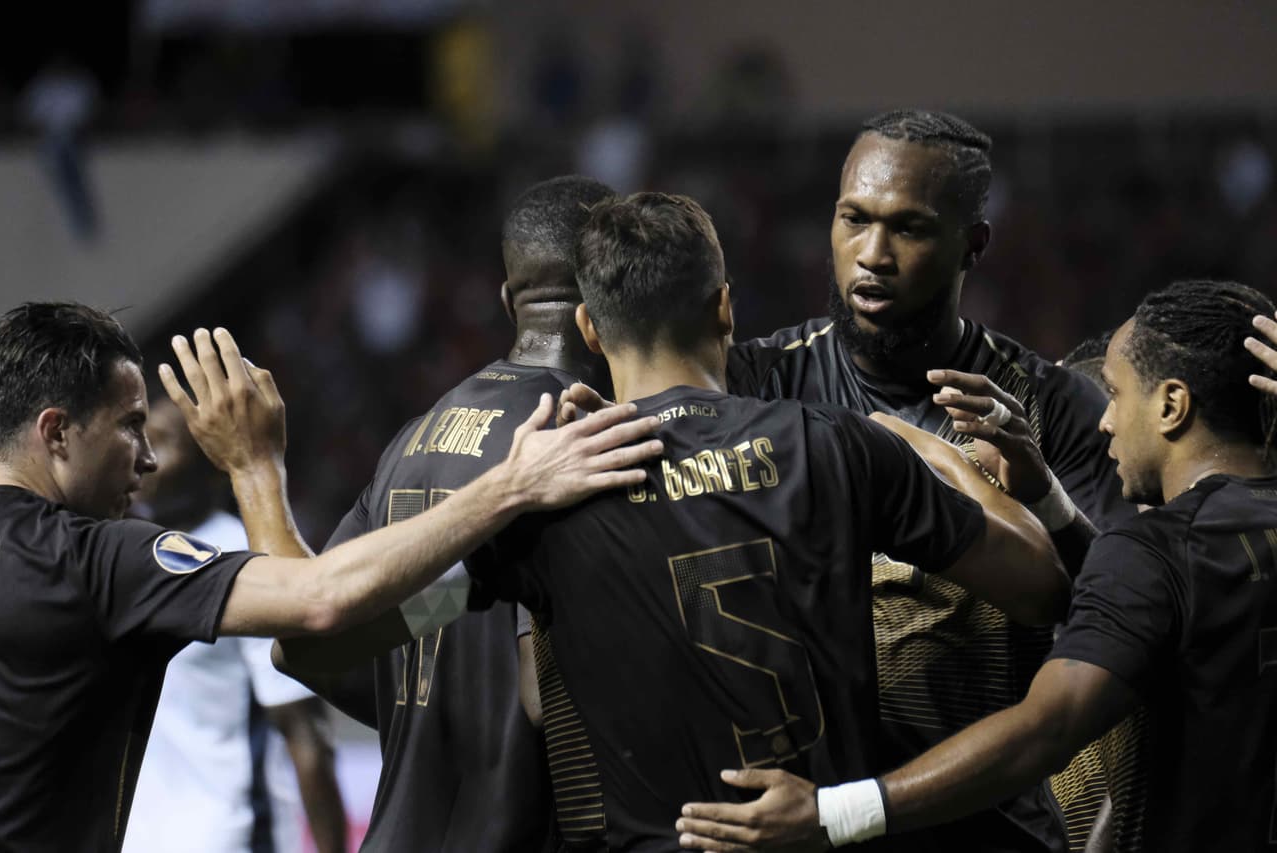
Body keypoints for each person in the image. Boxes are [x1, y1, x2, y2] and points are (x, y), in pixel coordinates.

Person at [469, 191, 1068, 850]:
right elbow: (1042, 585)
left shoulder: (551, 494)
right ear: (725, 307)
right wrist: (918, 442)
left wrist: (506, 490)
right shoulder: (836, 445)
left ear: (589, 327)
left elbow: (355, 617)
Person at [0, 301, 660, 851]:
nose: (144, 461)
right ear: (56, 432)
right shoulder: (95, 560)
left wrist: (465, 587)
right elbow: (316, 610)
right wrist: (511, 486)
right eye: (130, 428)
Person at [675, 279, 1277, 853]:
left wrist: (834, 814)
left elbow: (1049, 728)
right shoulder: (1171, 553)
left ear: (1172, 404)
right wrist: (1045, 498)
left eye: (1116, 394)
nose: (1105, 420)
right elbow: (1142, 602)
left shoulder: (1157, 545)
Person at [722, 109, 1130, 853]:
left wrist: (1043, 495)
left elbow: (1122, 611)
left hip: (990, 827)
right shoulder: (756, 384)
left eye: (908, 228)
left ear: (973, 244)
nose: (871, 254)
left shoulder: (1054, 406)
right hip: (800, 823)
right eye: (855, 219)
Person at [269, 175, 620, 852]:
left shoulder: (412, 438)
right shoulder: (588, 440)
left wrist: (416, 713)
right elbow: (556, 704)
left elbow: (302, 651)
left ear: (507, 296)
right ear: (614, 287)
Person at [123, 398, 346, 853]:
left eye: (162, 442)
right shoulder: (127, 555)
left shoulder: (246, 557)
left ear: (212, 465)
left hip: (233, 837)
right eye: (140, 436)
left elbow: (306, 733)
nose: (143, 456)